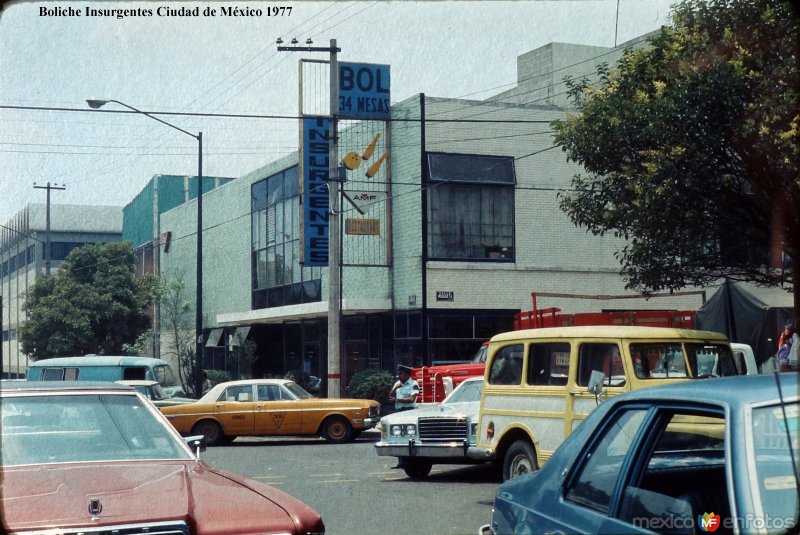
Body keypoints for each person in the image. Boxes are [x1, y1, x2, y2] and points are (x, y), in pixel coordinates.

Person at [387, 365, 419, 470]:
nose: (398, 376)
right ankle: (401, 461)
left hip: (409, 412)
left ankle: (411, 461)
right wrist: (396, 388)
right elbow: (390, 396)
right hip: (399, 412)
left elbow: (411, 399)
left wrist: (397, 400)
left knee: (409, 436)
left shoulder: (414, 384)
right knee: (398, 436)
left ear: (406, 374)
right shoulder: (398, 383)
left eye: (401, 374)